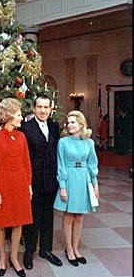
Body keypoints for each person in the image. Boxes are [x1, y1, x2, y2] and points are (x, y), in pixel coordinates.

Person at [0, 98, 33, 277]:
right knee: (1, 221)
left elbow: (26, 162)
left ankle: (15, 258)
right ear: (8, 116)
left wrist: (29, 184)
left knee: (18, 221)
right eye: (19, 114)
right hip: (3, 182)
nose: (21, 118)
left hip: (21, 182)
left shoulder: (22, 136)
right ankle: (3, 257)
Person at [20, 93, 63, 270]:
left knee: (48, 217)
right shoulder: (26, 128)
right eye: (40, 107)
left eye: (46, 107)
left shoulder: (54, 126)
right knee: (32, 217)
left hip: (51, 180)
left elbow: (56, 152)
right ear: (34, 108)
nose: (43, 110)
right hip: (34, 180)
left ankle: (46, 249)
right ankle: (29, 251)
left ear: (51, 109)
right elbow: (23, 158)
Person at [53, 110, 99, 266]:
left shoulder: (89, 142)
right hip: (70, 179)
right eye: (68, 122)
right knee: (68, 216)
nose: (69, 125)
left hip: (83, 178)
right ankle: (69, 249)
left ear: (81, 124)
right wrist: (63, 187)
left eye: (73, 122)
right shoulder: (63, 142)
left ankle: (76, 247)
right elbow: (61, 165)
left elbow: (93, 164)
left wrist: (95, 185)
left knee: (79, 216)